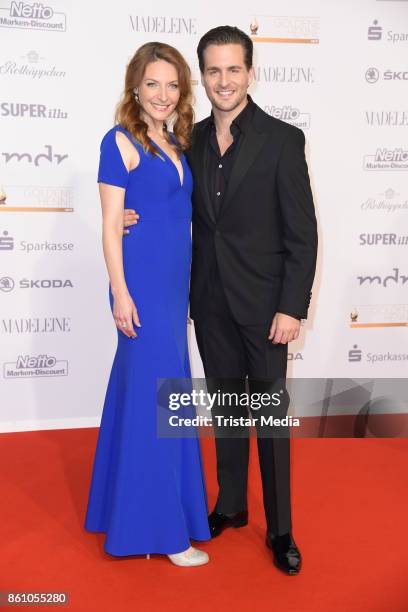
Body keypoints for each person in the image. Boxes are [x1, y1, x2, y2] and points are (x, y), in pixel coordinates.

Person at [123, 26, 318, 575]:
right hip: (208, 303)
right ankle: (230, 505)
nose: (223, 80)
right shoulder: (191, 139)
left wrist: (291, 307)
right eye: (213, 71)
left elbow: (303, 235)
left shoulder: (283, 140)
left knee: (270, 422)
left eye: (234, 69)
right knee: (229, 414)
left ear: (250, 73)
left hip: (265, 309)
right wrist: (126, 217)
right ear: (201, 78)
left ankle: (280, 530)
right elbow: (159, 196)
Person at [84, 42, 211, 567]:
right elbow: (112, 226)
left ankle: (129, 512)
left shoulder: (178, 141)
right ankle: (162, 533)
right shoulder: (119, 142)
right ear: (135, 86)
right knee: (160, 402)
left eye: (173, 85)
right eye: (153, 83)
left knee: (154, 399)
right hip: (139, 290)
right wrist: (119, 292)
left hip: (170, 288)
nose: (162, 94)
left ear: (183, 92)